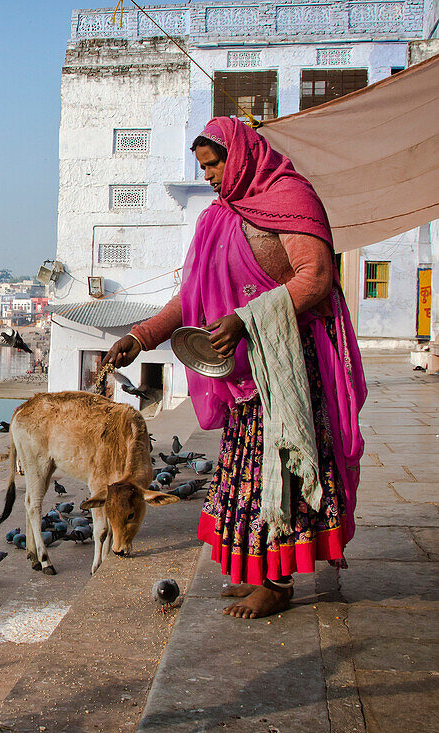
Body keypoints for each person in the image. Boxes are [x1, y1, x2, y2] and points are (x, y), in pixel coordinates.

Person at [104, 117, 367, 619]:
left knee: (284, 472)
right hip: (244, 376)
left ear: (242, 154)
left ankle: (277, 582)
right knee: (248, 475)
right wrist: (140, 337)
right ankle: (259, 573)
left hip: (288, 370)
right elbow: (191, 298)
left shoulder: (290, 198)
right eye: (201, 166)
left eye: (214, 163)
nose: (207, 175)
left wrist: (247, 319)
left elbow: (317, 277)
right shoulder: (217, 218)